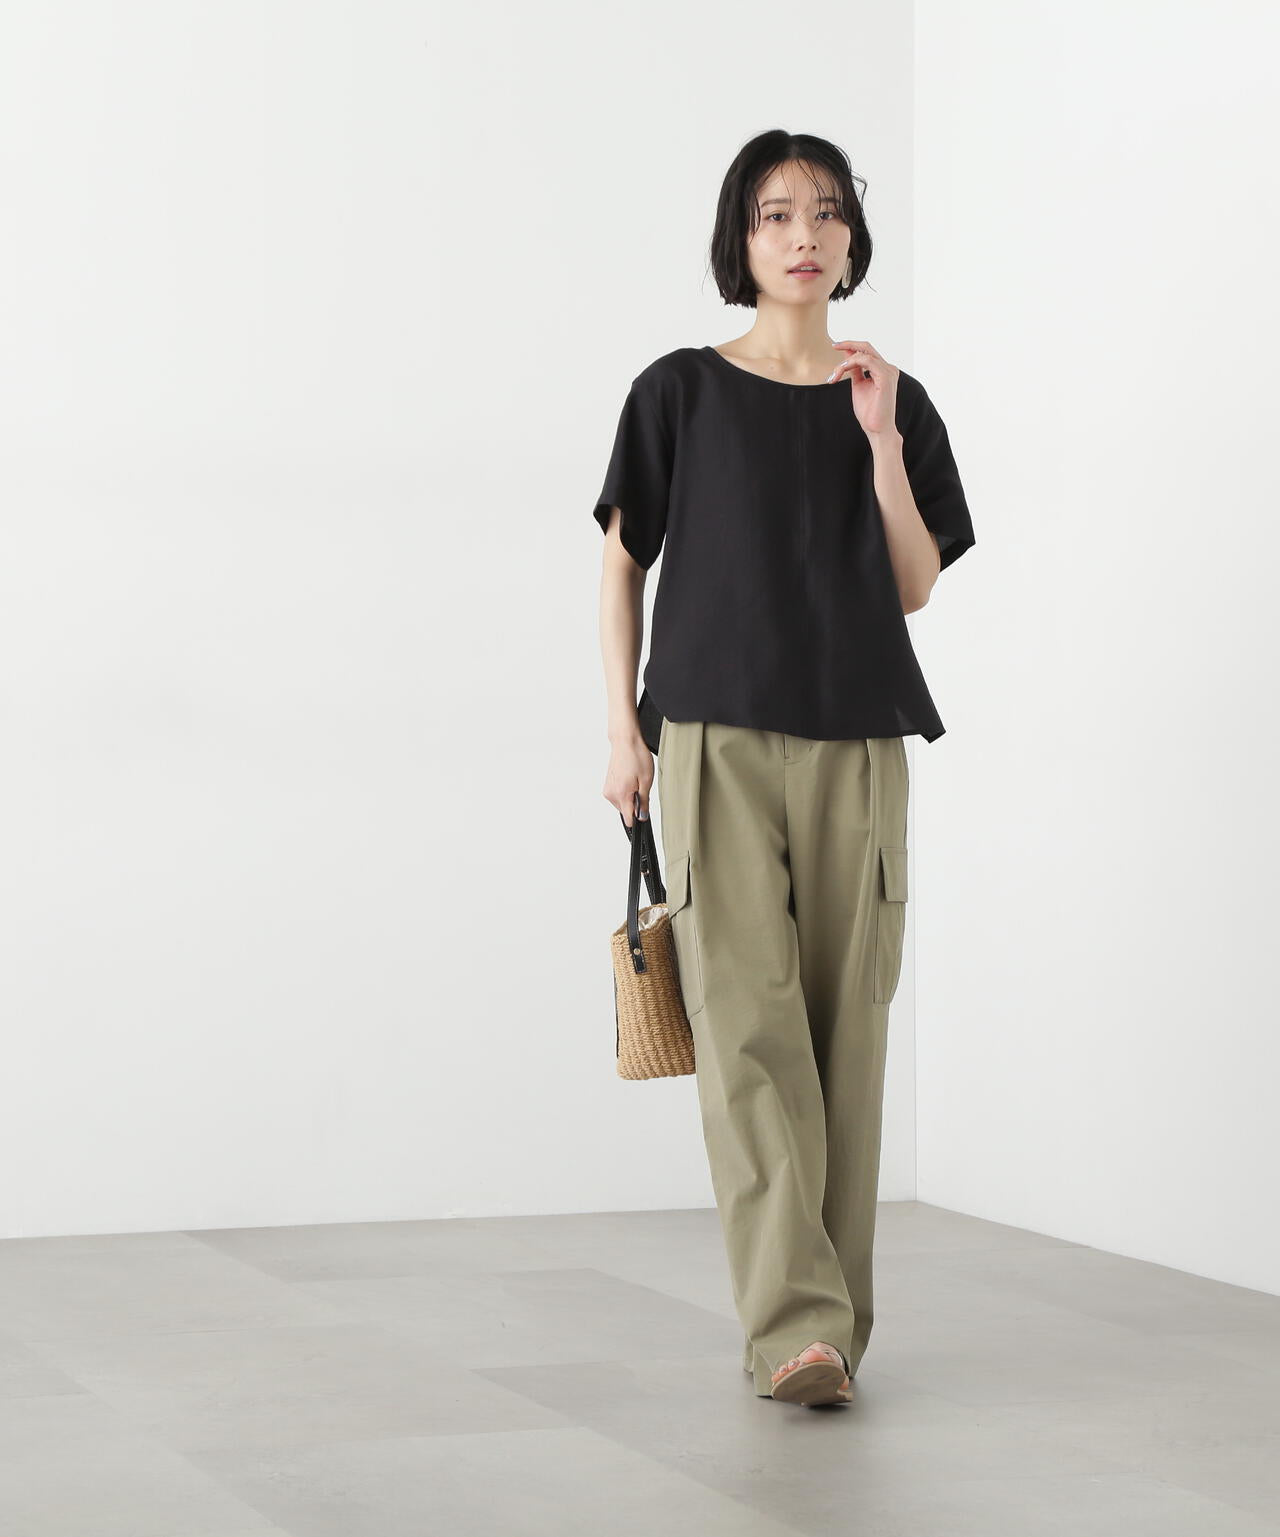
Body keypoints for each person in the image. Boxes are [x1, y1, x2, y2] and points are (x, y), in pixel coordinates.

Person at [592, 129, 976, 1409]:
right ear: (739, 240)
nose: (802, 235)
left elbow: (912, 586)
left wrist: (877, 441)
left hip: (858, 741)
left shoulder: (895, 400)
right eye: (773, 214)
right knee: (747, 1029)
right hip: (711, 741)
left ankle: (834, 1331)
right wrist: (622, 730)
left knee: (843, 1036)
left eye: (823, 212)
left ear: (851, 240)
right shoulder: (676, 392)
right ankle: (793, 1331)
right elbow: (621, 561)